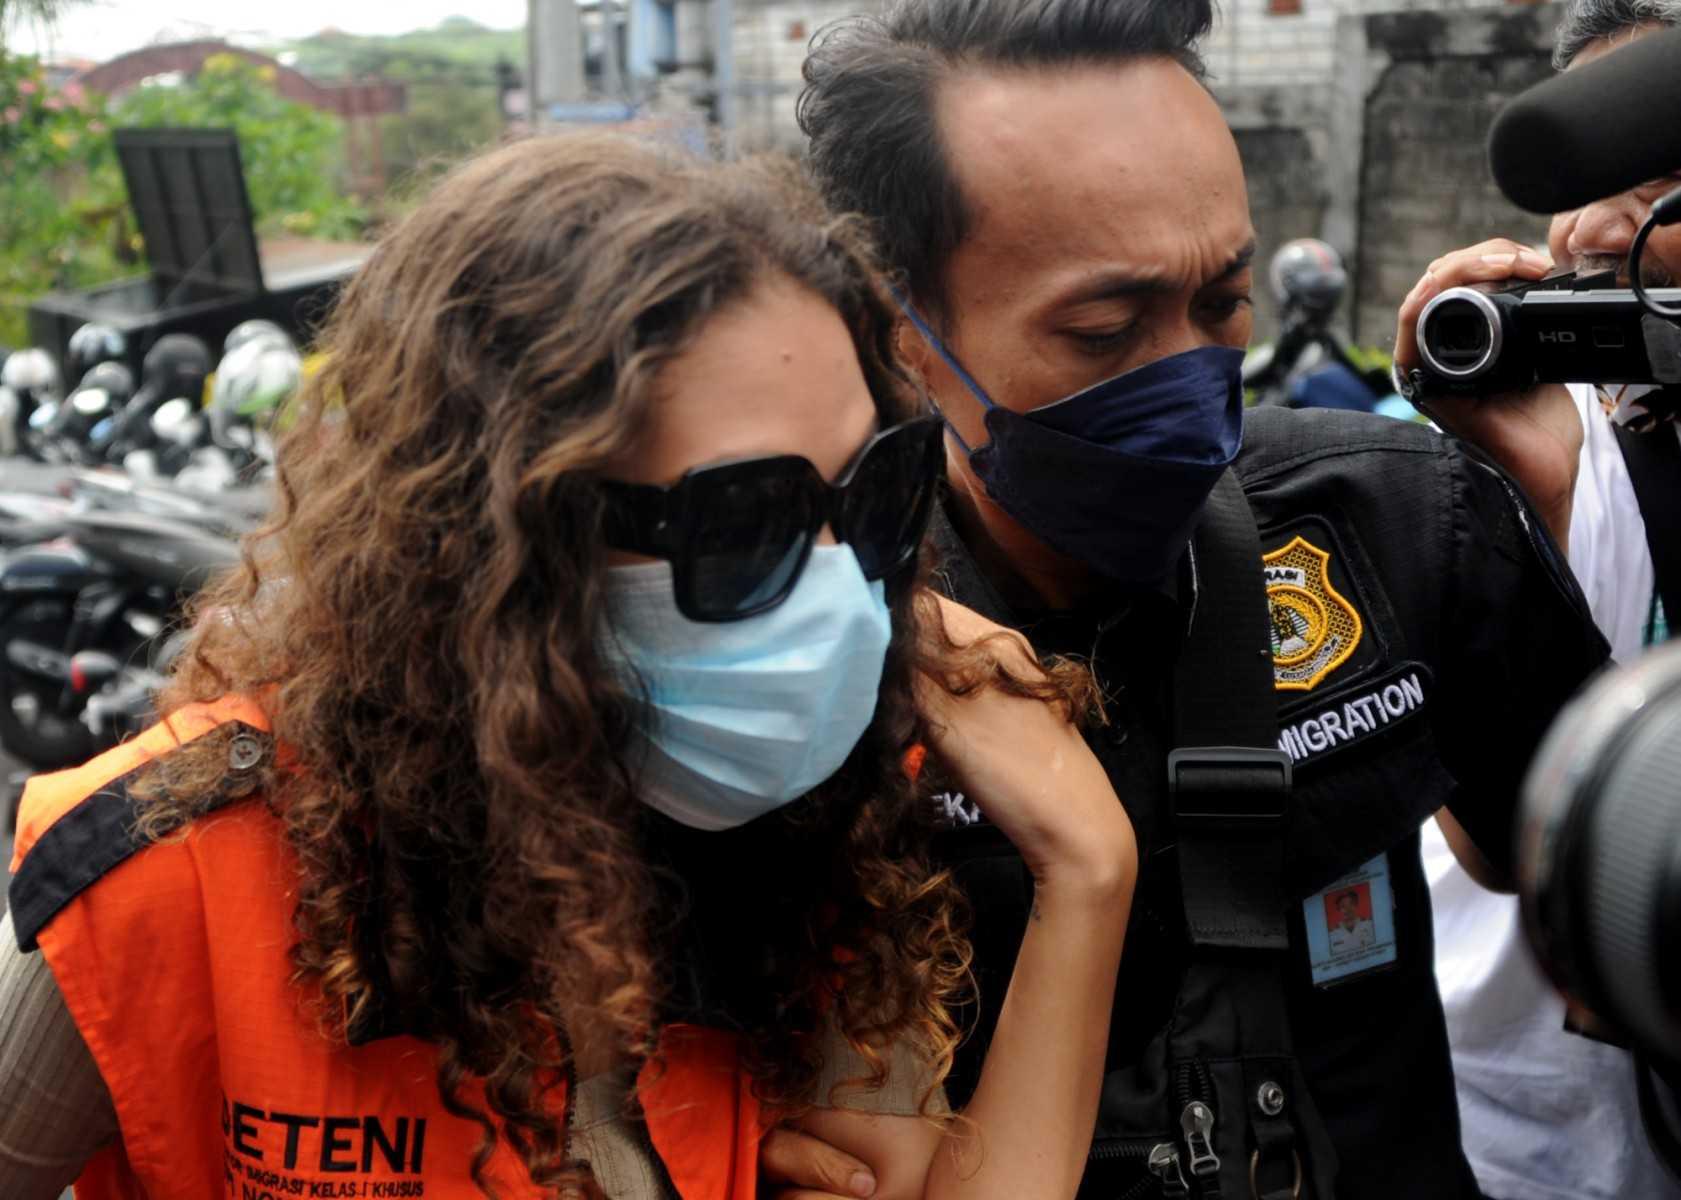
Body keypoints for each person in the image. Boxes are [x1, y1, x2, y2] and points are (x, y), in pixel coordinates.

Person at [0, 132, 1140, 1198]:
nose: (842, 597)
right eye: (745, 523)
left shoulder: (817, 838)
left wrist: (1089, 875)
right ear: (498, 544)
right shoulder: (171, 879)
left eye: (871, 493)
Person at [762, 3, 1611, 1198]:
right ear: (898, 325)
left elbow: (1565, 867)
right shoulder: (796, 666)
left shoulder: (1396, 523)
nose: (1186, 387)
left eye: (1221, 305)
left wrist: (1557, 511)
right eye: (1104, 329)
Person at [1392, 3, 1681, 1197]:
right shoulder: (1526, 467)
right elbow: (1503, 841)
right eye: (1583, 192)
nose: (1604, 228)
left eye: (1661, 183)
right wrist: (1539, 499)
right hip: (1542, 1138)